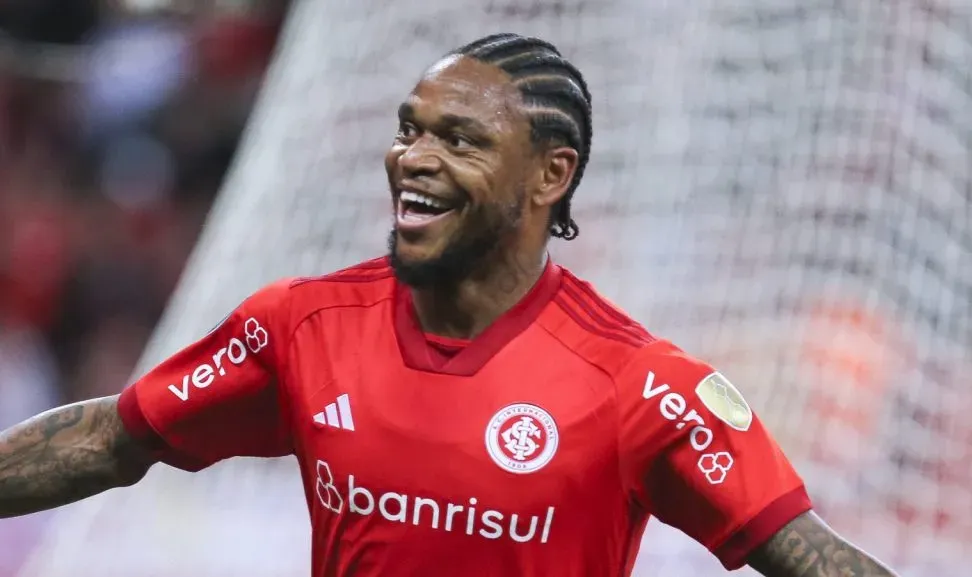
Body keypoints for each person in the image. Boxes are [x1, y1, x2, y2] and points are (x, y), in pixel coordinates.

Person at [0, 33, 900, 577]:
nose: (413, 158)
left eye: (459, 138)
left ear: (553, 175)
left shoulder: (641, 387)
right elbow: (109, 441)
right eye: (409, 128)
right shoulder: (301, 328)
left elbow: (805, 555)